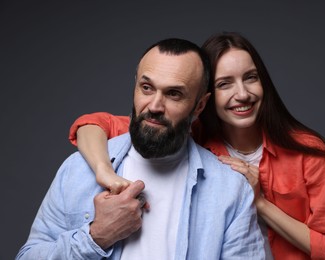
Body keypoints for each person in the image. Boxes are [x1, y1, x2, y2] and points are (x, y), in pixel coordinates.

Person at [68, 32, 325, 259]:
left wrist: (259, 202)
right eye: (224, 84)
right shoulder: (191, 138)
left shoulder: (308, 152)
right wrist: (104, 171)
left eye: (250, 78)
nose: (242, 94)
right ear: (202, 99)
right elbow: (93, 124)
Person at [16, 38, 265, 259]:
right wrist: (95, 237)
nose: (155, 105)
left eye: (174, 94)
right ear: (136, 86)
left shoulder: (230, 191)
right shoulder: (77, 170)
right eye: (147, 88)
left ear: (199, 106)